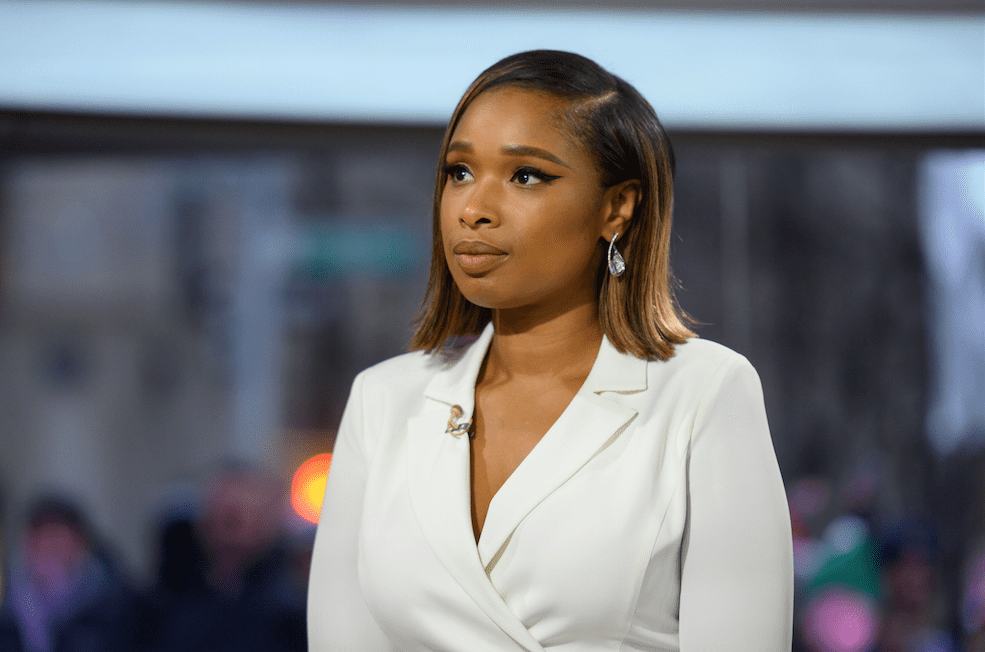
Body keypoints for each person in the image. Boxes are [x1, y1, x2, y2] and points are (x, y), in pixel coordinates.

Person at [308, 50, 793, 651]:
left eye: (526, 176)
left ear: (617, 207)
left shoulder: (705, 391)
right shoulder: (384, 400)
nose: (474, 209)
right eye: (459, 172)